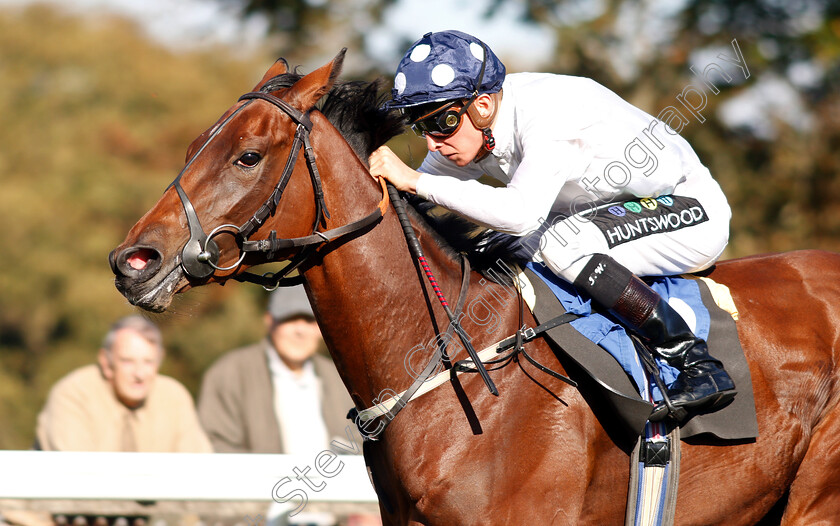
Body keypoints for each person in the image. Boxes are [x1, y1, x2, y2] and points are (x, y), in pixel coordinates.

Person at [369, 30, 736, 422]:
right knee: (495, 250)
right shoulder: (469, 130)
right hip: (609, 211)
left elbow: (519, 213)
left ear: (482, 105)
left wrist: (415, 180)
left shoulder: (549, 112)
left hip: (689, 209)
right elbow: (415, 192)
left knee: (562, 244)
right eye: (421, 127)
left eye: (441, 122)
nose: (433, 143)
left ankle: (697, 364)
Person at [197, 284, 353, 455]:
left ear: (320, 326)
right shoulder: (229, 373)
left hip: (335, 481)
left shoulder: (343, 379)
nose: (300, 330)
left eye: (309, 320)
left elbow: (363, 442)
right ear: (269, 321)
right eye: (289, 319)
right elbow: (215, 445)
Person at [35, 315, 211, 452]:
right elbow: (78, 477)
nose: (139, 374)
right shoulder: (74, 394)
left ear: (159, 361)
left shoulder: (174, 397)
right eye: (128, 361)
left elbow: (198, 472)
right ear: (106, 362)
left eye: (148, 362)